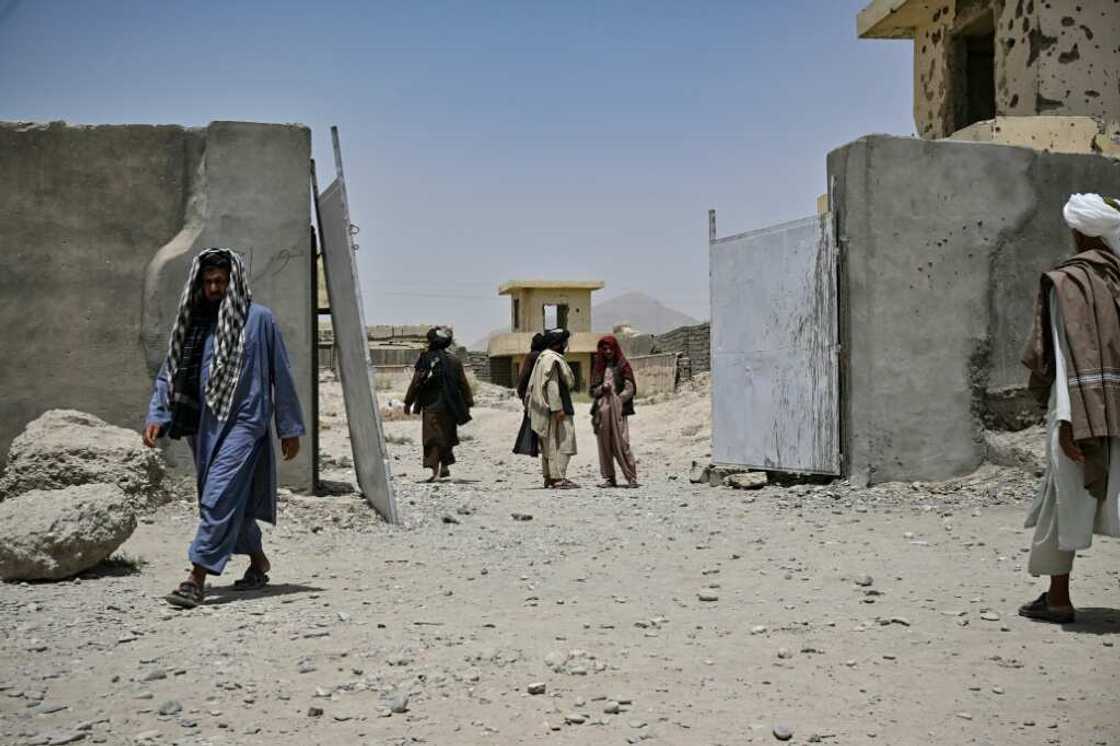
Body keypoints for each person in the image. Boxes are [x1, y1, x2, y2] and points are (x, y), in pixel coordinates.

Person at [143, 248, 305, 609]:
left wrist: (288, 426)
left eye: (221, 281)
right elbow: (170, 373)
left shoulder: (260, 320)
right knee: (229, 500)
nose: (214, 288)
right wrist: (157, 413)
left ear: (234, 284)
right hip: (202, 425)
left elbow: (282, 373)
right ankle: (257, 560)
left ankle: (195, 577)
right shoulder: (194, 322)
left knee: (219, 495)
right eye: (208, 282)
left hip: (246, 423)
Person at [1020, 193, 1120, 623]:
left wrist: (1066, 420)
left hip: (1080, 408)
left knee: (1065, 497)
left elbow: (1063, 354)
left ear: (1078, 230)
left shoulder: (1069, 282)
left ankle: (1058, 598)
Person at [404, 326, 474, 482]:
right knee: (447, 436)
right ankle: (445, 466)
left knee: (432, 438)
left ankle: (435, 470)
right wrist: (468, 402)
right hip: (450, 406)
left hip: (431, 406)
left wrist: (408, 402)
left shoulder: (426, 359)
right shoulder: (454, 360)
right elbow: (463, 383)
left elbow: (416, 382)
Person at [527, 328, 578, 488]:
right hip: (557, 409)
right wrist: (557, 409)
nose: (566, 345)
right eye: (564, 342)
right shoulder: (552, 359)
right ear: (557, 344)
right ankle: (558, 478)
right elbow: (552, 385)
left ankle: (549, 477)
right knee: (564, 441)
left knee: (549, 443)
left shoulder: (543, 358)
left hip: (546, 409)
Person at [590, 335, 639, 488]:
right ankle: (610, 478)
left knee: (622, 444)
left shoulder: (623, 365)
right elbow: (593, 391)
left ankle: (631, 477)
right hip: (602, 411)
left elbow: (630, 388)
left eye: (610, 348)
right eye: (605, 349)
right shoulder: (599, 367)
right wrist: (602, 390)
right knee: (604, 445)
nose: (608, 351)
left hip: (619, 411)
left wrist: (617, 400)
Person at [513, 333, 547, 458]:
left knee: (531, 420)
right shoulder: (542, 356)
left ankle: (532, 447)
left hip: (531, 394)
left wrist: (521, 393)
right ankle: (537, 446)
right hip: (540, 394)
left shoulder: (532, 356)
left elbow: (523, 376)